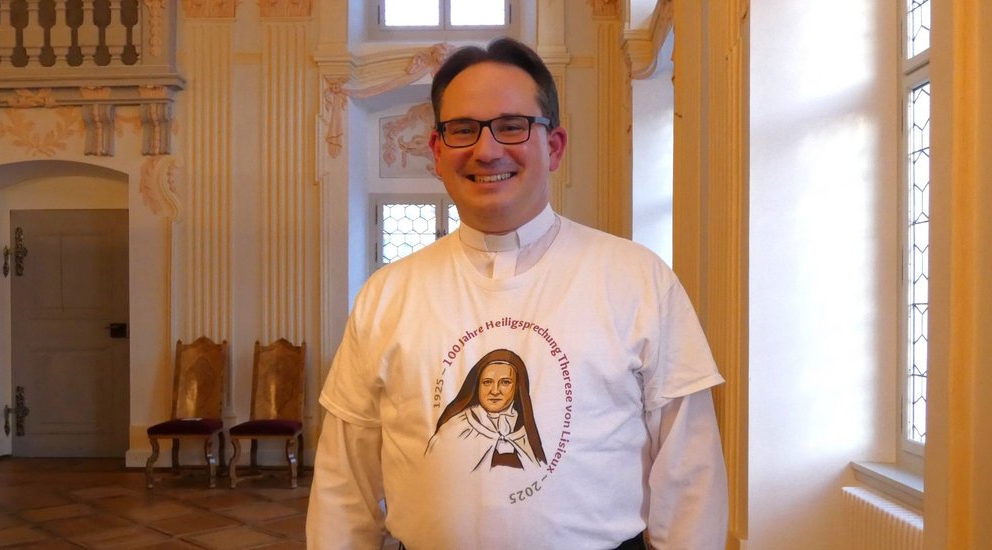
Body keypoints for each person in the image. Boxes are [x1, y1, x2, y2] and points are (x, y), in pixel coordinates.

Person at [306, 37, 728, 550]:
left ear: (554, 146)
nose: (486, 151)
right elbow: (343, 485)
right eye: (463, 129)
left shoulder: (638, 279)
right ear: (437, 151)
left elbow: (690, 476)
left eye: (512, 126)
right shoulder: (387, 294)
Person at [425, 348, 547, 471]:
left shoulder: (525, 432)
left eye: (505, 382)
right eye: (487, 382)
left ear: (517, 387)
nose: (495, 391)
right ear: (477, 386)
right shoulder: (454, 430)